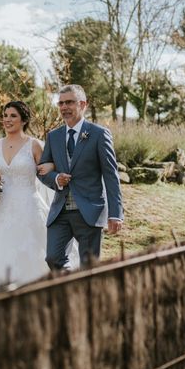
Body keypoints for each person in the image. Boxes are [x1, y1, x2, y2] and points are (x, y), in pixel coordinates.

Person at [0, 101, 77, 290]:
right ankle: (0, 291)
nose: (7, 120)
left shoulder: (33, 145)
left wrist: (54, 172)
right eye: (5, 115)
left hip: (29, 207)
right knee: (0, 250)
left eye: (13, 116)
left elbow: (46, 174)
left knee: (31, 250)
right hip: (3, 208)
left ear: (23, 120)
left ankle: (34, 290)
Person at [38, 84, 123, 270]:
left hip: (89, 211)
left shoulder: (99, 134)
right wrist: (55, 179)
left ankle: (85, 296)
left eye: (69, 102)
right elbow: (42, 170)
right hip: (60, 211)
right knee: (53, 258)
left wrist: (115, 214)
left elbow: (111, 175)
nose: (64, 107)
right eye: (60, 103)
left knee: (89, 267)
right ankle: (72, 287)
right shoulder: (54, 136)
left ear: (83, 104)